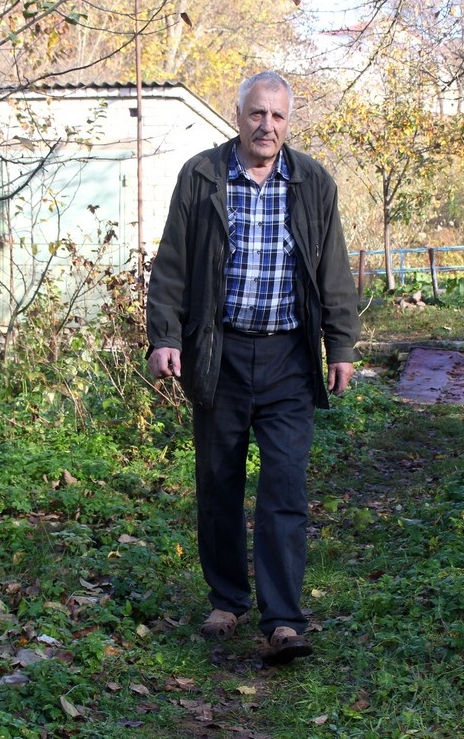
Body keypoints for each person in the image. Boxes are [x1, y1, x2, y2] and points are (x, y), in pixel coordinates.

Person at [145, 70, 361, 664]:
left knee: (285, 485)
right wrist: (165, 335)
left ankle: (284, 620)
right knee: (218, 482)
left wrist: (340, 346)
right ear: (237, 115)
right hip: (221, 352)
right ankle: (226, 600)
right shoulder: (203, 175)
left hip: (290, 358)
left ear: (289, 122)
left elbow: (333, 270)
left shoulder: (313, 181)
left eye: (278, 116)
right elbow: (172, 264)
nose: (267, 126)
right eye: (256, 114)